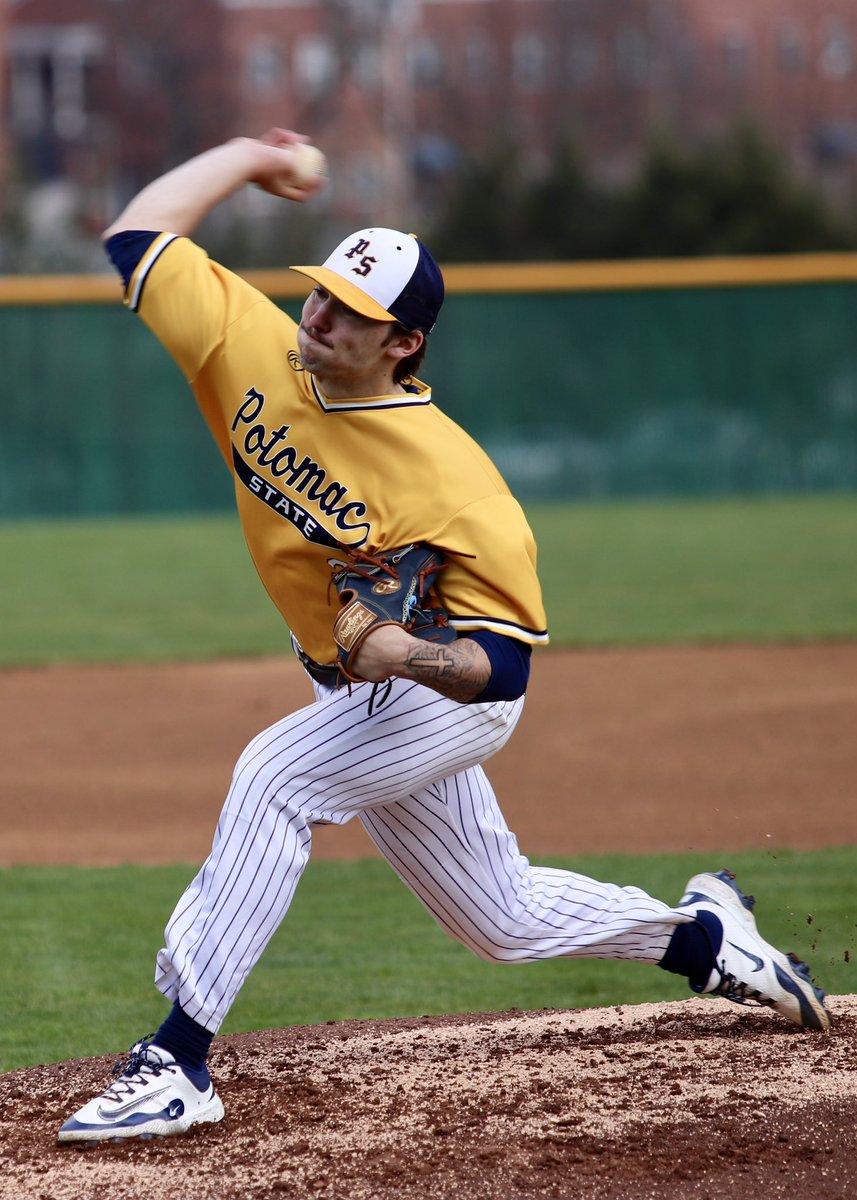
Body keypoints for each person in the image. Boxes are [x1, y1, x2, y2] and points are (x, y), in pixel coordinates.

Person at [58, 129, 829, 1143]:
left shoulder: (455, 483)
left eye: (353, 315)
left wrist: (402, 658)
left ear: (403, 344)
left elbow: (501, 668)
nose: (321, 317)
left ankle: (180, 1058)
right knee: (497, 918)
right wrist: (250, 155)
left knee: (276, 777)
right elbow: (136, 233)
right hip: (357, 685)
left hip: (444, 696)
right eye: (321, 292)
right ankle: (702, 940)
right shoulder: (249, 341)